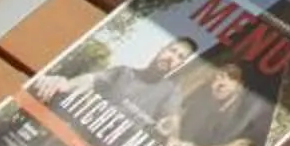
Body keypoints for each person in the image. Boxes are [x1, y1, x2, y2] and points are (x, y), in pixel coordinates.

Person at [30, 33, 199, 124]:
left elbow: (171, 121)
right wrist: (64, 83)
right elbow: (90, 80)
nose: (172, 58)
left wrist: (172, 133)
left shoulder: (171, 92)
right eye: (172, 50)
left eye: (179, 57)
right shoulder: (123, 72)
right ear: (161, 50)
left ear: (180, 65)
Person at [164, 53, 279, 146]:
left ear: (241, 86)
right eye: (217, 78)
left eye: (230, 79)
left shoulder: (254, 114)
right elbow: (176, 114)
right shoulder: (201, 104)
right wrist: (174, 135)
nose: (220, 83)